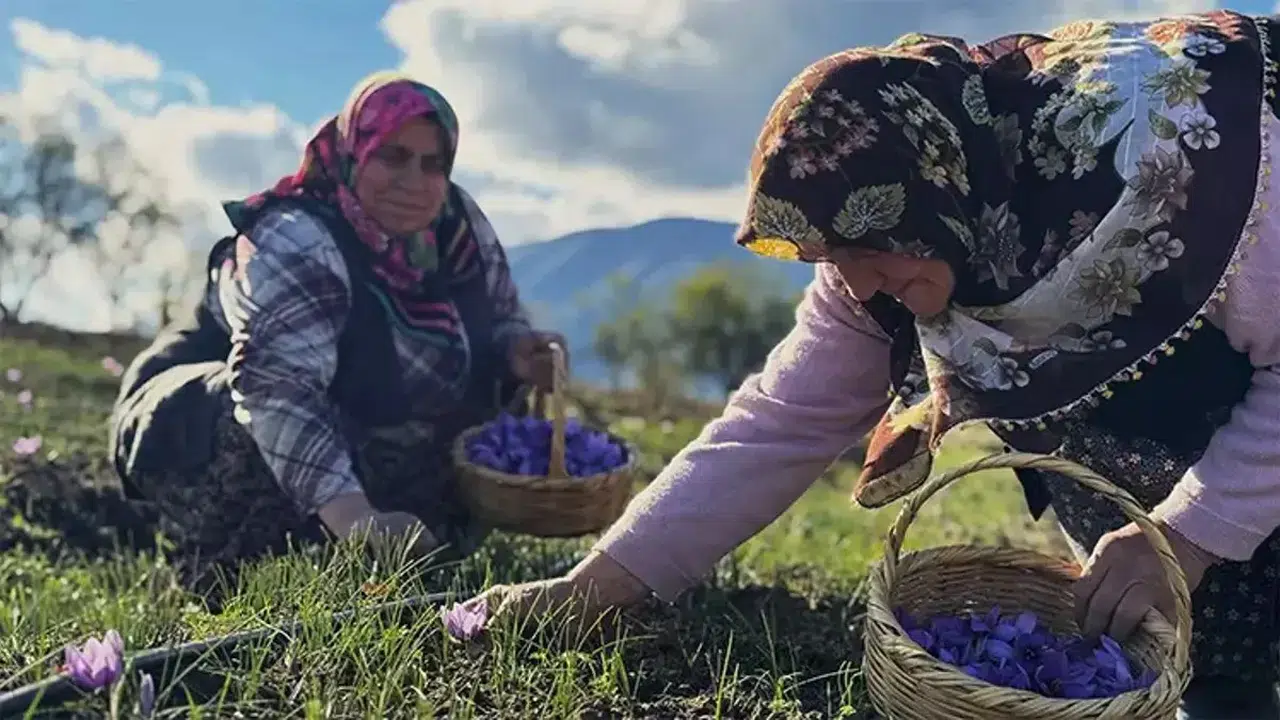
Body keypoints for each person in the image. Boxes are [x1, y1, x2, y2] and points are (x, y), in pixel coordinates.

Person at [466, 12, 1280, 719]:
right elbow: (774, 426)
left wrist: (1188, 536)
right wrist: (591, 587)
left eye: (862, 244)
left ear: (935, 184)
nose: (856, 282)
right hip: (1144, 498)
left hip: (1240, 447)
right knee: (1203, 670)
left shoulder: (1184, 165)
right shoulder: (890, 261)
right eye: (829, 255)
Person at [109, 71, 565, 593]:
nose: (414, 180)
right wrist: (353, 515)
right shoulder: (299, 236)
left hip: (360, 411)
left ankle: (370, 536)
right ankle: (223, 568)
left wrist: (516, 351)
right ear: (353, 151)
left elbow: (498, 313)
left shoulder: (454, 226)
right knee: (248, 421)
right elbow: (276, 387)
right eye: (392, 155)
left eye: (432, 163)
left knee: (480, 415)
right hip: (189, 417)